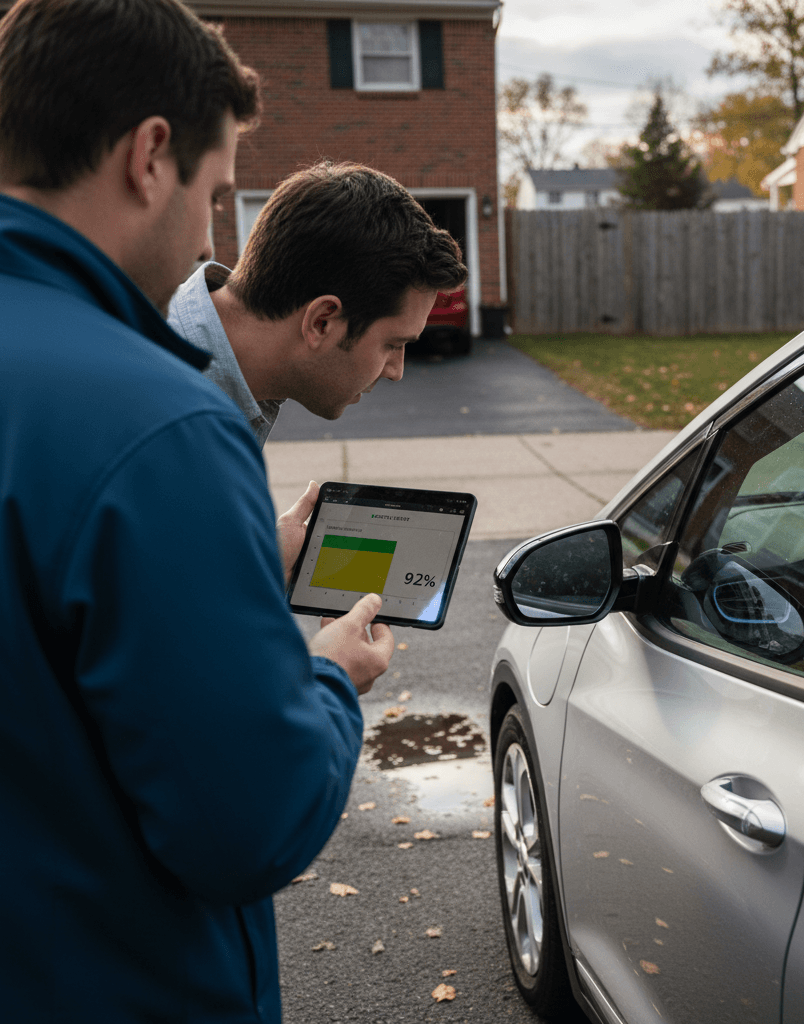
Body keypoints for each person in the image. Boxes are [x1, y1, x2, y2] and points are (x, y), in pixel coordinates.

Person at [0, 2, 392, 1021]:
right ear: (149, 156)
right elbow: (247, 825)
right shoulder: (155, 421)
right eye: (217, 196)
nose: (212, 239)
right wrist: (329, 679)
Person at [168, 161, 467, 574]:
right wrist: (318, 645)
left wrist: (260, 563)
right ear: (322, 321)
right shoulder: (163, 418)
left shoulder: (207, 376)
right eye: (393, 344)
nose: (396, 370)